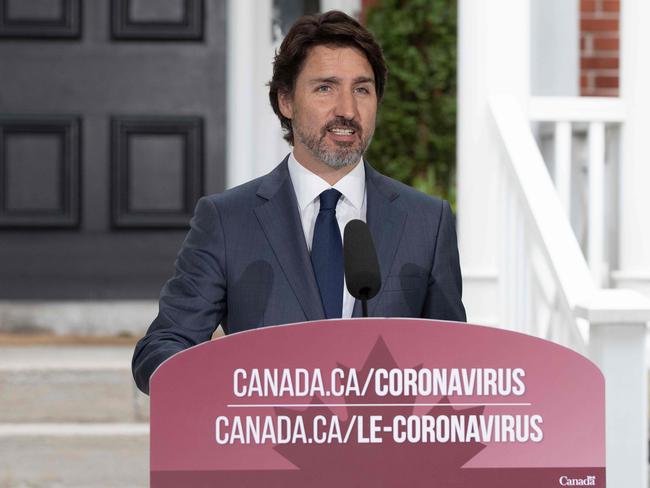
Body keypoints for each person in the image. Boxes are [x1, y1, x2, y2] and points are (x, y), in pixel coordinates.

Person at [132, 10, 465, 395]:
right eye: (325, 87)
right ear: (286, 101)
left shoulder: (427, 221)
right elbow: (161, 348)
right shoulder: (226, 220)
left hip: (384, 450)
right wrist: (224, 389)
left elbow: (453, 364)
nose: (347, 110)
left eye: (362, 89)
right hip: (265, 448)